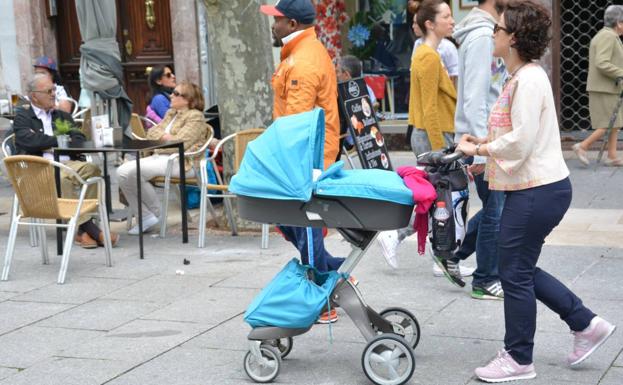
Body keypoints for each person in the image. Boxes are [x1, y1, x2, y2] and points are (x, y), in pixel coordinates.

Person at [455, 1, 616, 381]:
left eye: (497, 29)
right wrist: (483, 141)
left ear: (512, 38)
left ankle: (519, 358)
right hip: (537, 189)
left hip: (537, 192)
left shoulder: (527, 78)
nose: (492, 34)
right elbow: (517, 133)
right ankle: (586, 324)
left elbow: (522, 141)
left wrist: (479, 149)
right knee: (518, 268)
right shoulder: (521, 76)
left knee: (513, 272)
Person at [260, 0, 345, 324]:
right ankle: (334, 270)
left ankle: (322, 297)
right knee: (290, 218)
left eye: (277, 20)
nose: (273, 25)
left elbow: (296, 122)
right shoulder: (300, 52)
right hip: (299, 155)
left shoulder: (303, 60)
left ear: (292, 24)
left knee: (306, 223)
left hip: (304, 157)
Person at [377, 0, 464, 277]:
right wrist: (440, 147)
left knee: (439, 200)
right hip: (430, 135)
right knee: (435, 199)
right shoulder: (427, 56)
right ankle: (396, 234)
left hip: (430, 133)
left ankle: (440, 257)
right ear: (431, 23)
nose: (452, 21)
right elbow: (429, 107)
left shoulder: (429, 53)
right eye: (446, 16)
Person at [438, 0, 508, 300]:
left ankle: (454, 254)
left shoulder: (484, 33)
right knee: (497, 211)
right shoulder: (482, 37)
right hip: (482, 141)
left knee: (499, 208)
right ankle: (485, 279)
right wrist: (480, 151)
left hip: (485, 141)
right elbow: (475, 98)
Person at [13, 73, 119, 248]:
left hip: (68, 163)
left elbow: (78, 138)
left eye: (54, 89)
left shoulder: (61, 116)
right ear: (34, 96)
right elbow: (27, 141)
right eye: (48, 91)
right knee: (63, 179)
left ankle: (82, 230)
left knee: (92, 170)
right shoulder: (23, 117)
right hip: (40, 168)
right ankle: (91, 230)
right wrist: (59, 139)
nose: (53, 94)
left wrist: (44, 139)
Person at [117, 81, 209, 235]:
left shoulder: (196, 117)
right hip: (161, 157)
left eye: (176, 93)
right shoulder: (171, 113)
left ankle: (155, 213)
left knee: (131, 172)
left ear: (189, 99)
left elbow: (181, 144)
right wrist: (165, 138)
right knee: (122, 172)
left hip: (182, 162)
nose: (171, 95)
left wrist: (164, 140)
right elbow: (150, 134)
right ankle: (148, 215)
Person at [573, 5, 623, 167]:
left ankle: (612, 156)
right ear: (619, 22)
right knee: (607, 123)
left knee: (615, 122)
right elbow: (602, 63)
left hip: (609, 87)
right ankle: (582, 146)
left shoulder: (609, 36)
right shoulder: (607, 37)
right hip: (604, 88)